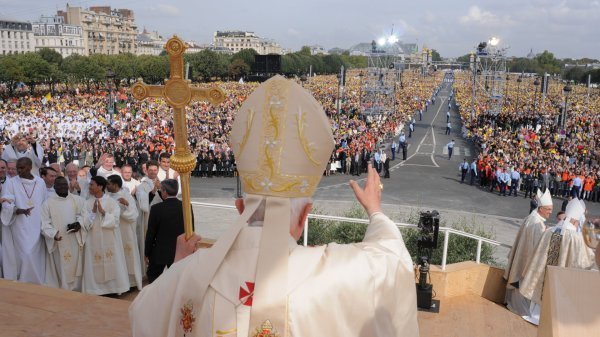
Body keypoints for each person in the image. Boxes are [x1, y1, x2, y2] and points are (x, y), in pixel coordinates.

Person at [129, 75, 419, 337]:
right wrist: (376, 212)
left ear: (240, 207)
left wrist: (180, 266)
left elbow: (142, 312)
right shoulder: (337, 276)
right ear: (305, 215)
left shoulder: (191, 273)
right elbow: (391, 262)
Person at [519, 198, 595, 325]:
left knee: (543, 289)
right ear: (576, 220)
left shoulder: (549, 231)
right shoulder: (576, 238)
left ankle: (535, 315)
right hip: (559, 282)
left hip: (543, 276)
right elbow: (582, 262)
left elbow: (537, 254)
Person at [504, 189, 553, 318]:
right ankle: (521, 310)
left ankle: (514, 306)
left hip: (522, 259)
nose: (550, 212)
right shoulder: (537, 224)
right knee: (523, 286)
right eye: (548, 209)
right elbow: (537, 247)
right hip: (528, 262)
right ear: (541, 208)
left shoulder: (532, 218)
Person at [0, 157, 47, 283]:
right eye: (17, 168)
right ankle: (24, 282)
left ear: (30, 167)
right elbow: (6, 201)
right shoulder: (11, 182)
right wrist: (18, 210)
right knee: (26, 253)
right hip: (19, 225)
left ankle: (37, 283)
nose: (19, 171)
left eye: (22, 168)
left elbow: (45, 203)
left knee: (35, 254)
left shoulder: (40, 182)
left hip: (37, 224)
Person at [81, 176, 130, 295]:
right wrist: (93, 212)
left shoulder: (112, 202)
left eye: (92, 184)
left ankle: (114, 288)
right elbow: (85, 223)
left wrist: (103, 213)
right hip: (93, 239)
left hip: (110, 239)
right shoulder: (87, 203)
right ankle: (95, 289)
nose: (90, 187)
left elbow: (116, 221)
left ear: (100, 186)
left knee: (113, 260)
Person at [41, 176, 86, 291]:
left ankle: (77, 287)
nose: (62, 187)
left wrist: (79, 224)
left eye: (64, 184)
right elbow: (44, 223)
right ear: (54, 187)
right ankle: (64, 288)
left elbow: (84, 215)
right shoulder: (48, 203)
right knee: (63, 265)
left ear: (68, 185)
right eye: (59, 185)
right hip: (59, 240)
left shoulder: (77, 200)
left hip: (75, 239)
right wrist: (53, 234)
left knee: (76, 263)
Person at [144, 179, 188, 283]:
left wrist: (147, 252)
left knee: (154, 279)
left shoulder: (156, 209)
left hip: (159, 251)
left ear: (164, 191)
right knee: (177, 280)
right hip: (179, 250)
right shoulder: (186, 206)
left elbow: (151, 233)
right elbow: (190, 229)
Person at [107, 175, 142, 291]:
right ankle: (119, 283)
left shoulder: (126, 196)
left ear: (116, 185)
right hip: (113, 232)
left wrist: (126, 205)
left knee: (128, 255)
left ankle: (131, 282)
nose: (107, 186)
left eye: (109, 184)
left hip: (125, 231)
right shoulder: (106, 196)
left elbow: (134, 214)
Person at [135, 160, 162, 269]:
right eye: (150, 170)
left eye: (155, 170)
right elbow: (143, 203)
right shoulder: (142, 185)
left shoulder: (163, 183)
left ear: (158, 170)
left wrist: (160, 189)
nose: (153, 172)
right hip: (148, 218)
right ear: (146, 170)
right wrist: (154, 190)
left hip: (161, 218)